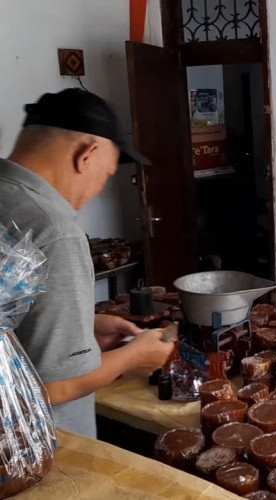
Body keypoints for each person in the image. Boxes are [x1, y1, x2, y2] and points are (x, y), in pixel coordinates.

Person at [0, 88, 175, 437]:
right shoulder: (53, 230)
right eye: (107, 174)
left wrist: (82, 323)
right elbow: (54, 387)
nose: (98, 187)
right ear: (87, 154)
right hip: (39, 453)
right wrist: (134, 356)